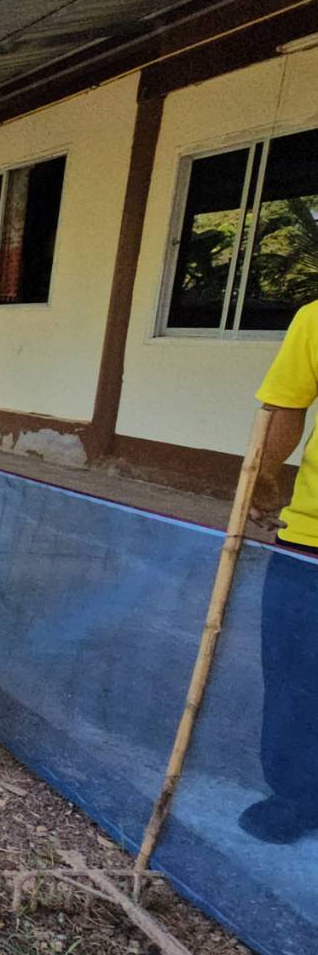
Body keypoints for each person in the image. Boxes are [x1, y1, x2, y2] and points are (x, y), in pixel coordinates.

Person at [241, 298, 318, 843]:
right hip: (312, 536)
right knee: (295, 672)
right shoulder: (316, 319)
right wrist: (262, 477)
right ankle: (297, 793)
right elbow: (285, 406)